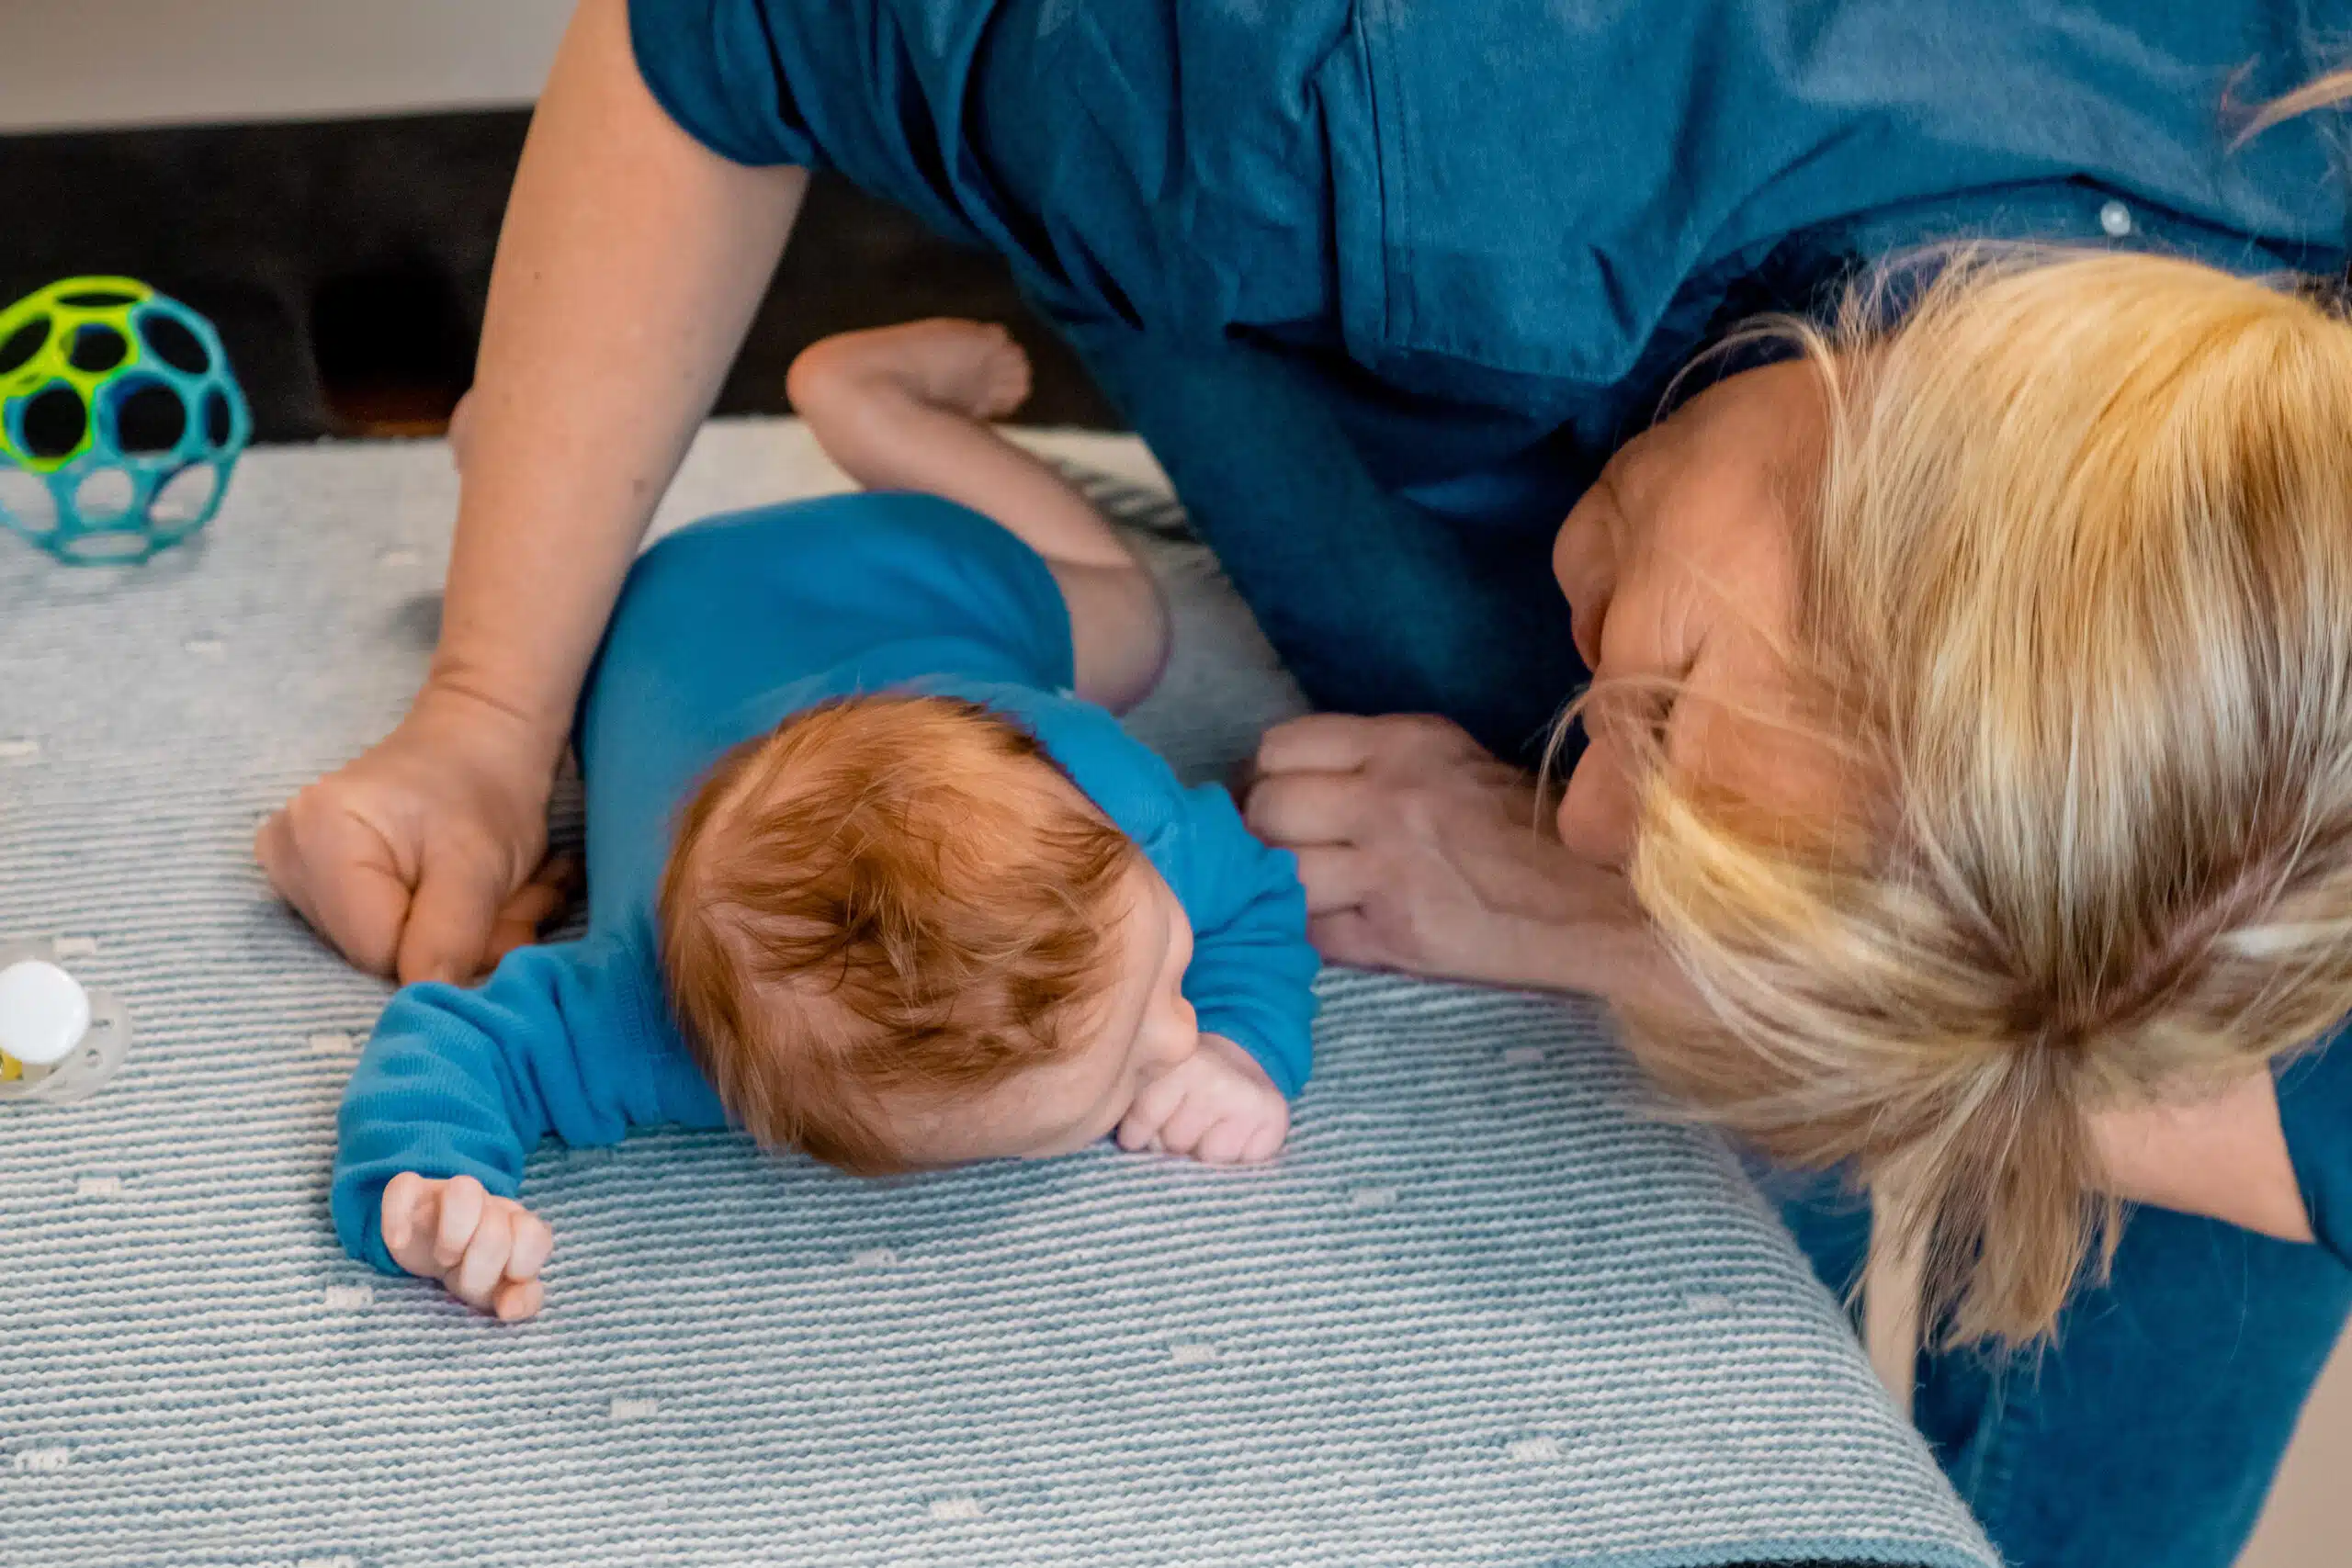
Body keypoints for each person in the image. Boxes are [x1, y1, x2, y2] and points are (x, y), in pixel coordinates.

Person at [253, 3, 2352, 1562]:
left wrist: (1600, 922)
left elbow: (2288, 1111)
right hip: (1416, 181)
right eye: (1660, 726)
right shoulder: (1323, 94)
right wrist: (484, 716)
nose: (1593, 814)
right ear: (1851, 389)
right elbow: (707, 45)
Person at [327, 319, 1317, 1320]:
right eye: (1115, 1077)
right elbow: (458, 1042)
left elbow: (1259, 892)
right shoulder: (649, 1014)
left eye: (1165, 975)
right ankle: (532, 471)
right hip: (645, 603)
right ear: (855, 1153)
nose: (1179, 1025)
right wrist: (429, 1186)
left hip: (925, 571)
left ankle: (860, 412)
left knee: (1129, 630)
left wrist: (1242, 1046)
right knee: (558, 641)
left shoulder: (1109, 809)